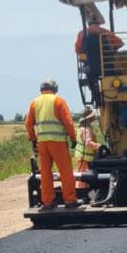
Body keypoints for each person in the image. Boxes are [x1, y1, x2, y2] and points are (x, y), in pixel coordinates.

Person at [25, 79, 81, 210]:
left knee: (45, 173)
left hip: (42, 143)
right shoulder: (58, 101)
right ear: (55, 89)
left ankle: (48, 202)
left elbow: (28, 124)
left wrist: (33, 140)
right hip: (58, 143)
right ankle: (70, 200)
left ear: (41, 89)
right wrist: (73, 138)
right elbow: (68, 122)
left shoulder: (35, 103)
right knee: (65, 172)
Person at [73, 107, 101, 187]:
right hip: (84, 158)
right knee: (83, 178)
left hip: (81, 156)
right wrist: (99, 146)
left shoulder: (80, 127)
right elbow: (88, 143)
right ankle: (81, 194)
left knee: (81, 176)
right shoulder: (86, 129)